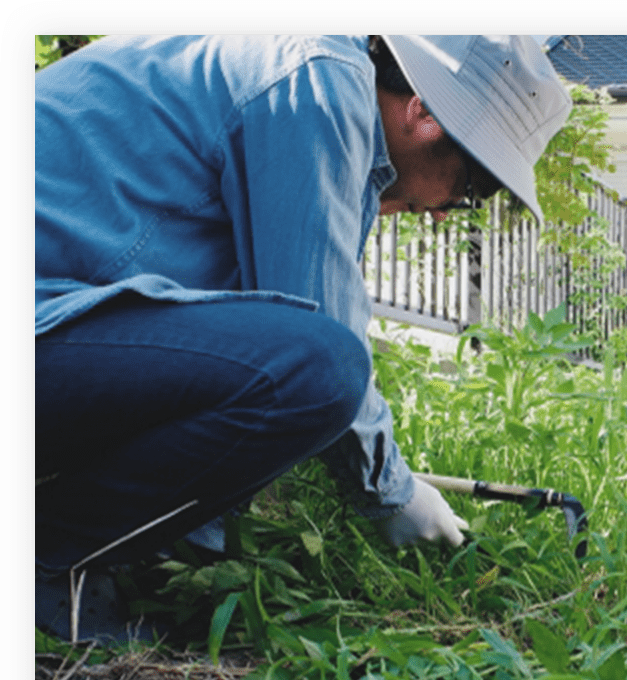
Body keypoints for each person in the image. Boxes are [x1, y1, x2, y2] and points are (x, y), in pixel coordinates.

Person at [34, 35, 572, 643]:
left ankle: (116, 552)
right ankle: (45, 557)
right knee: (320, 369)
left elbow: (224, 349)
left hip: (51, 329)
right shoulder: (317, 83)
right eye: (470, 185)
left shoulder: (283, 64)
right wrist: (392, 492)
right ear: (423, 112)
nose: (448, 211)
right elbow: (319, 338)